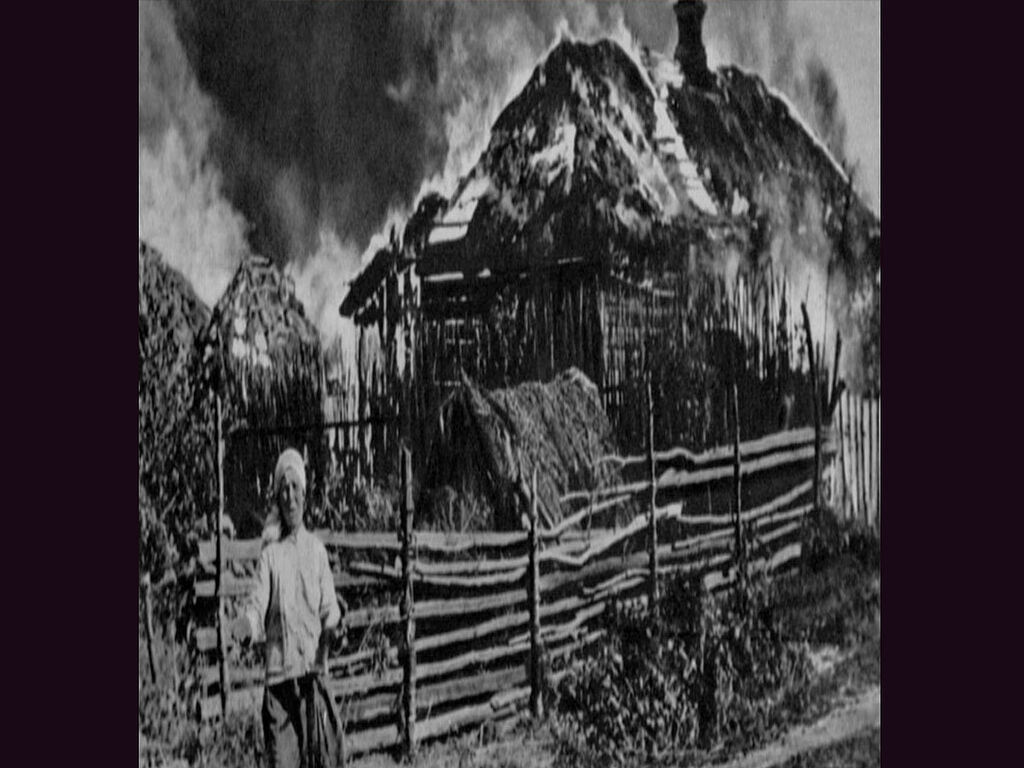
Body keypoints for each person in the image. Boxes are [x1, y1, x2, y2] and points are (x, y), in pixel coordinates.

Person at [231, 448, 345, 767]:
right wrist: (247, 625)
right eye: (284, 488)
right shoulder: (271, 556)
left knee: (323, 759)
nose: (290, 496)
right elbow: (257, 604)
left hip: (312, 680)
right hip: (279, 688)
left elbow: (330, 608)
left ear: (305, 494)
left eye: (295, 487)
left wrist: (331, 629)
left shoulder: (316, 552)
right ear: (278, 497)